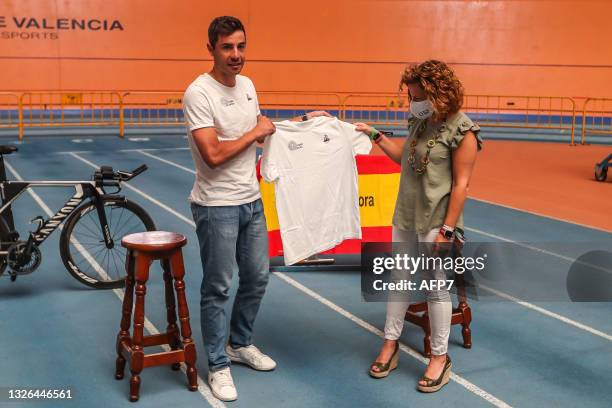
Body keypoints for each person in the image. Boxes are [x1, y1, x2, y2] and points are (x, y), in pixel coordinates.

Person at [182, 16, 329, 402]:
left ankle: (239, 343)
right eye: (227, 47)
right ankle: (217, 365)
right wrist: (254, 133)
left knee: (257, 277)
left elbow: (261, 133)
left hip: (250, 201)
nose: (236, 55)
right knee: (217, 287)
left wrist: (302, 122)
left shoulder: (247, 85)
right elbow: (212, 155)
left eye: (241, 46)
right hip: (217, 207)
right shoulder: (199, 93)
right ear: (210, 48)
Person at [355, 59, 482, 392]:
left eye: (416, 96)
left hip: (438, 220)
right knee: (398, 279)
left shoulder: (463, 130)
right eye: (411, 96)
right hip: (407, 214)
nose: (412, 103)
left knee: (436, 288)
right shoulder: (419, 121)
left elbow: (461, 185)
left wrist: (448, 231)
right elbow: (404, 159)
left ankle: (439, 358)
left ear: (436, 92)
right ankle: (390, 343)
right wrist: (376, 135)